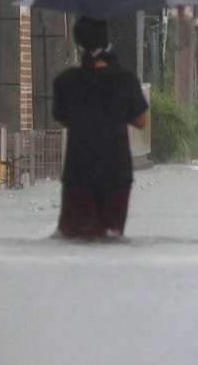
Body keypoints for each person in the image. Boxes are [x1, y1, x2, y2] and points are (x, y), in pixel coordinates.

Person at [51, 17, 149, 239]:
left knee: (74, 235)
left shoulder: (65, 82)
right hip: (117, 173)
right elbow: (141, 121)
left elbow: (62, 117)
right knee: (111, 236)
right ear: (107, 42)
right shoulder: (125, 79)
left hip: (78, 171)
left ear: (78, 42)